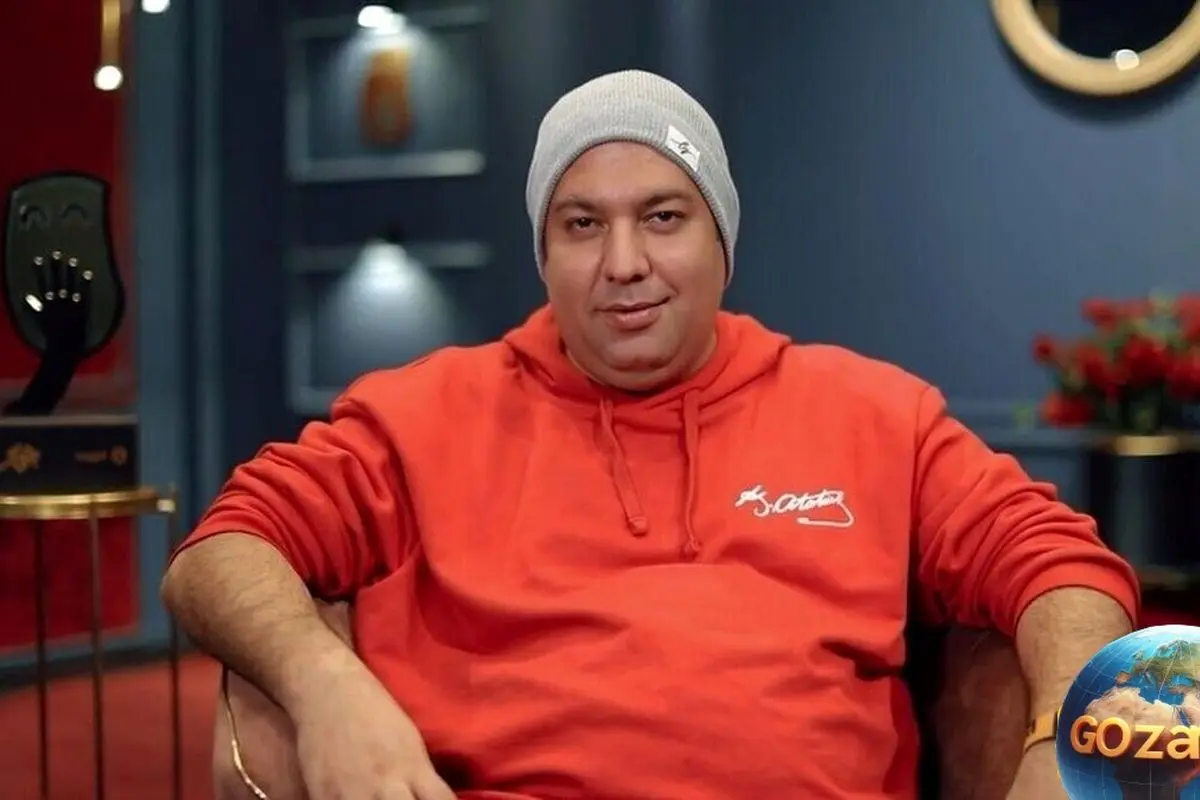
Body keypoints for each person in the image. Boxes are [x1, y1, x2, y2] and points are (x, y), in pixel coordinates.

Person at [162, 70, 1139, 800]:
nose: (623, 262)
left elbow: (1062, 564)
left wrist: (1063, 738)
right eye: (582, 225)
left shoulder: (875, 413)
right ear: (545, 252)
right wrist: (325, 684)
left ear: (722, 239)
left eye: (663, 217)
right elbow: (220, 552)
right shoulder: (418, 415)